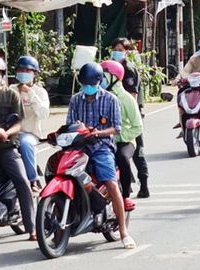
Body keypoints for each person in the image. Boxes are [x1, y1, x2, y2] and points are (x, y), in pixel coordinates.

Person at [67, 62, 136, 249]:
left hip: (101, 147)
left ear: (99, 82)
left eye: (90, 83)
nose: (87, 88)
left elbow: (116, 128)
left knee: (111, 183)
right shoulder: (75, 100)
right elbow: (69, 124)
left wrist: (97, 133)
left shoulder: (111, 99)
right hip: (79, 148)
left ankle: (123, 231)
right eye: (84, 83)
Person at [0, 56, 36, 240]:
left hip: (6, 147)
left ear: (2, 76)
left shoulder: (11, 95)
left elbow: (18, 123)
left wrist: (7, 133)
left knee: (23, 181)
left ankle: (31, 227)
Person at [100, 60, 143, 210]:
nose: (100, 80)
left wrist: (120, 137)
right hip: (102, 138)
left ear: (114, 78)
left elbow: (138, 126)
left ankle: (125, 196)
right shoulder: (97, 97)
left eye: (104, 76)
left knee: (122, 158)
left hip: (125, 140)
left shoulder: (126, 99)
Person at [111, 37, 150, 198]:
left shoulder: (129, 69)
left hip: (130, 115)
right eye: (115, 50)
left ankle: (144, 183)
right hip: (112, 115)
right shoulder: (109, 68)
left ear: (127, 52)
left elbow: (132, 97)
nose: (117, 53)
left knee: (137, 150)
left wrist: (128, 112)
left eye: (121, 50)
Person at [9, 56, 50, 192]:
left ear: (34, 74)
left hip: (30, 133)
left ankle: (32, 180)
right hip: (11, 132)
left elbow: (43, 113)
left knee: (25, 144)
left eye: (28, 70)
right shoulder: (11, 89)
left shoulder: (40, 92)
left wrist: (30, 94)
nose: (23, 73)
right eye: (21, 70)